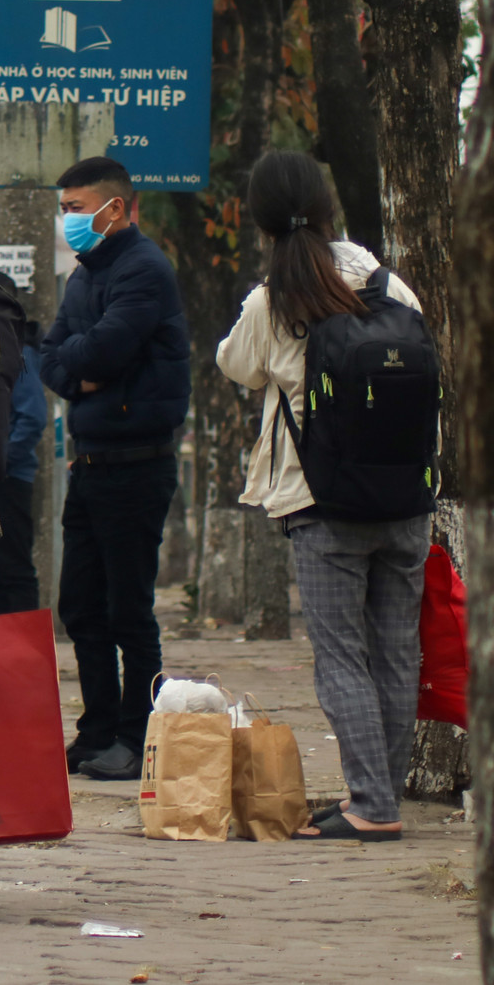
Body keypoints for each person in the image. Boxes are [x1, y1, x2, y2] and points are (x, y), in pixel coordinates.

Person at [216, 151, 431, 841]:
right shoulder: (393, 287)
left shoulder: (273, 299)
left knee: (342, 656)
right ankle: (380, 794)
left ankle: (371, 805)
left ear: (262, 219)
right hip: (406, 500)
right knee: (396, 651)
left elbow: (236, 365)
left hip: (322, 504)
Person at [40, 156, 190, 782]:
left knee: (130, 608)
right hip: (92, 463)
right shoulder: (83, 278)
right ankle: (96, 730)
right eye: (65, 208)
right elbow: (51, 359)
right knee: (80, 605)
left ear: (118, 208)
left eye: (77, 208)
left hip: (138, 464)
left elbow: (104, 347)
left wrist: (88, 363)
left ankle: (136, 735)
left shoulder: (145, 270)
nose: (68, 220)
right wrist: (86, 370)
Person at [0, 273, 38, 613]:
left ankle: (25, 656)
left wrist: (2, 458)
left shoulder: (19, 350)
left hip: (11, 479)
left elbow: (31, 418)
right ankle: (1, 654)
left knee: (13, 570)